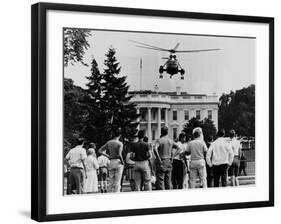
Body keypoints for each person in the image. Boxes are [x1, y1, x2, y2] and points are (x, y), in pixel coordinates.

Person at [98, 128, 124, 193]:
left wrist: (108, 156)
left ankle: (109, 194)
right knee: (117, 181)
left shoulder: (109, 142)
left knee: (111, 181)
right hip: (118, 161)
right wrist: (123, 162)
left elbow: (100, 150)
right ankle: (116, 194)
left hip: (111, 161)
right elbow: (119, 154)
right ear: (120, 135)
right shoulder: (120, 143)